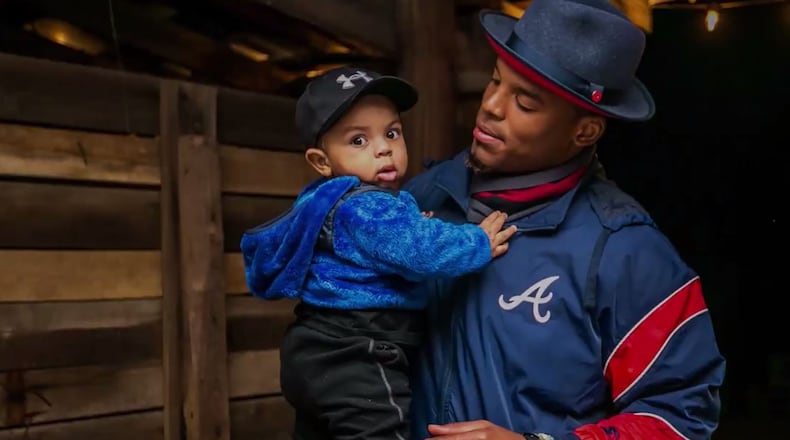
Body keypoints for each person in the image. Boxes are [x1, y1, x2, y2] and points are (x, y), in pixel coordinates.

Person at [403, 1, 726, 439]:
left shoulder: (628, 253)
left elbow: (679, 418)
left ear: (585, 131)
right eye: (496, 80)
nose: (492, 106)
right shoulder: (420, 200)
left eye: (525, 102)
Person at [240, 66, 517, 440]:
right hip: (359, 356)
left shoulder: (323, 202)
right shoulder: (368, 208)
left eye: (391, 132)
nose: (383, 147)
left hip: (312, 351)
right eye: (358, 141)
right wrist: (477, 242)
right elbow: (422, 251)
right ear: (322, 162)